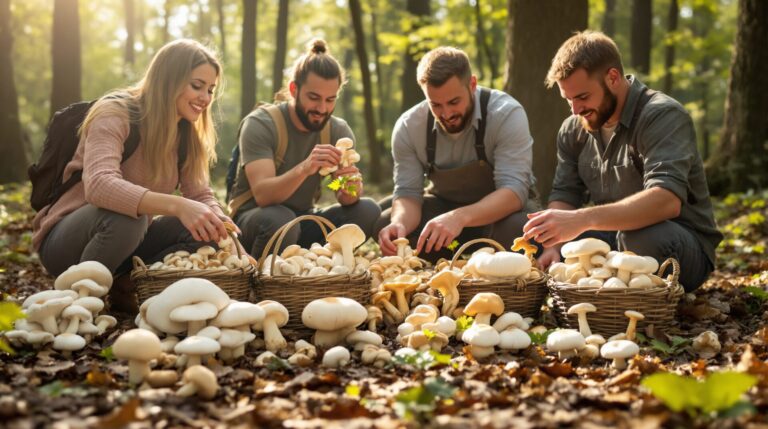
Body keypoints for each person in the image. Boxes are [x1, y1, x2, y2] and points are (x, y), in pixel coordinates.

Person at [32, 39, 234, 310]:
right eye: (197, 86)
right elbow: (100, 185)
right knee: (128, 219)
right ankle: (79, 303)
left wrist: (228, 236)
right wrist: (178, 205)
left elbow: (200, 194)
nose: (205, 98)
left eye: (210, 90)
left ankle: (124, 283)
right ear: (168, 80)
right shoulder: (115, 112)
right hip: (68, 241)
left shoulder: (187, 135)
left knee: (207, 228)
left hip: (129, 239)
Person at [522, 31, 722, 291]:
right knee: (530, 233)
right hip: (613, 237)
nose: (575, 110)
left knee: (639, 237)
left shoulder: (662, 115)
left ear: (613, 77)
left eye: (582, 97)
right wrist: (553, 244)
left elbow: (666, 200)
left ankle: (645, 297)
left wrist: (583, 220)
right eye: (568, 99)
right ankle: (605, 294)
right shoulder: (573, 128)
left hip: (677, 241)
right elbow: (566, 193)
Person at [375, 46, 537, 262]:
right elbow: (408, 194)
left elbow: (514, 192)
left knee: (521, 230)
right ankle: (437, 266)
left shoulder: (506, 114)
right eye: (435, 105)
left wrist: (460, 217)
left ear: (472, 84)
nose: (446, 114)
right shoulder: (409, 127)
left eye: (454, 102)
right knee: (387, 224)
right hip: (443, 212)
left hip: (498, 215)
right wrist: (400, 224)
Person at [227, 39, 380, 258]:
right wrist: (305, 168)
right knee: (279, 219)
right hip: (255, 222)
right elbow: (263, 195)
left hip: (302, 221)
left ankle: (316, 267)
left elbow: (339, 191)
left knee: (367, 210)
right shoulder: (261, 124)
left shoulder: (338, 131)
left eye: (330, 100)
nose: (322, 108)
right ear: (293, 89)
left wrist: (348, 188)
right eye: (314, 98)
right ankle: (258, 279)